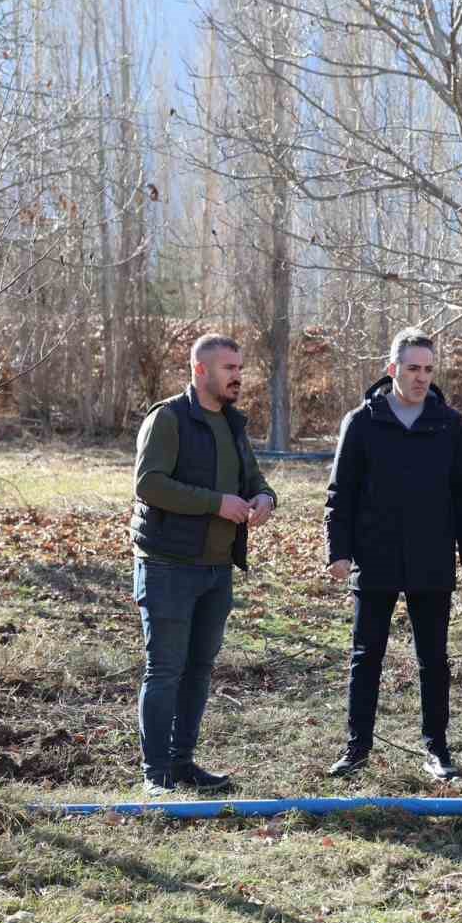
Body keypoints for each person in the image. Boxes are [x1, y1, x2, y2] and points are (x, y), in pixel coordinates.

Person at [323, 328, 462, 781]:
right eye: (413, 368)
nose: (421, 378)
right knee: (365, 655)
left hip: (431, 558)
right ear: (391, 369)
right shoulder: (362, 421)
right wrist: (338, 550)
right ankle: (357, 748)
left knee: (434, 658)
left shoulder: (448, 423)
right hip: (374, 557)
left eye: (429, 370)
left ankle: (437, 748)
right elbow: (341, 493)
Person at [130, 333, 277, 796]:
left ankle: (183, 764)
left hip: (217, 570)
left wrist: (265, 499)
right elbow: (149, 484)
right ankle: (155, 775)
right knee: (165, 670)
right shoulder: (168, 418)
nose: (238, 375)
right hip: (168, 567)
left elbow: (255, 479)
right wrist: (216, 504)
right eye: (228, 368)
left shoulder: (232, 423)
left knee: (198, 671)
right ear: (199, 370)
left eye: (239, 367)